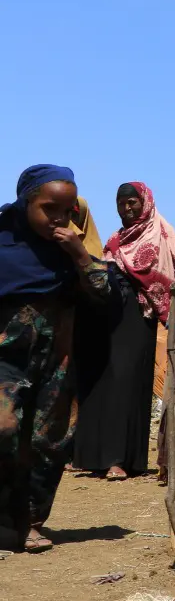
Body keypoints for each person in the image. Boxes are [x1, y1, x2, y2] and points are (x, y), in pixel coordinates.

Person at [0, 165, 112, 552]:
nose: (60, 219)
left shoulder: (70, 249)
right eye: (50, 209)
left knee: (49, 439)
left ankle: (29, 522)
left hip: (57, 360)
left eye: (68, 211)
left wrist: (78, 252)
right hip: (6, 359)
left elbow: (103, 293)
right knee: (3, 429)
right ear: (26, 201)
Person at [76, 183, 175, 480]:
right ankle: (94, 456)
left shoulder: (162, 233)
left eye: (132, 202)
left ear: (145, 201)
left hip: (140, 315)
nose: (127, 208)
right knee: (103, 379)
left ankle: (122, 460)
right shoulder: (116, 239)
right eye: (121, 203)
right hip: (109, 316)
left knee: (127, 382)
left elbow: (173, 272)